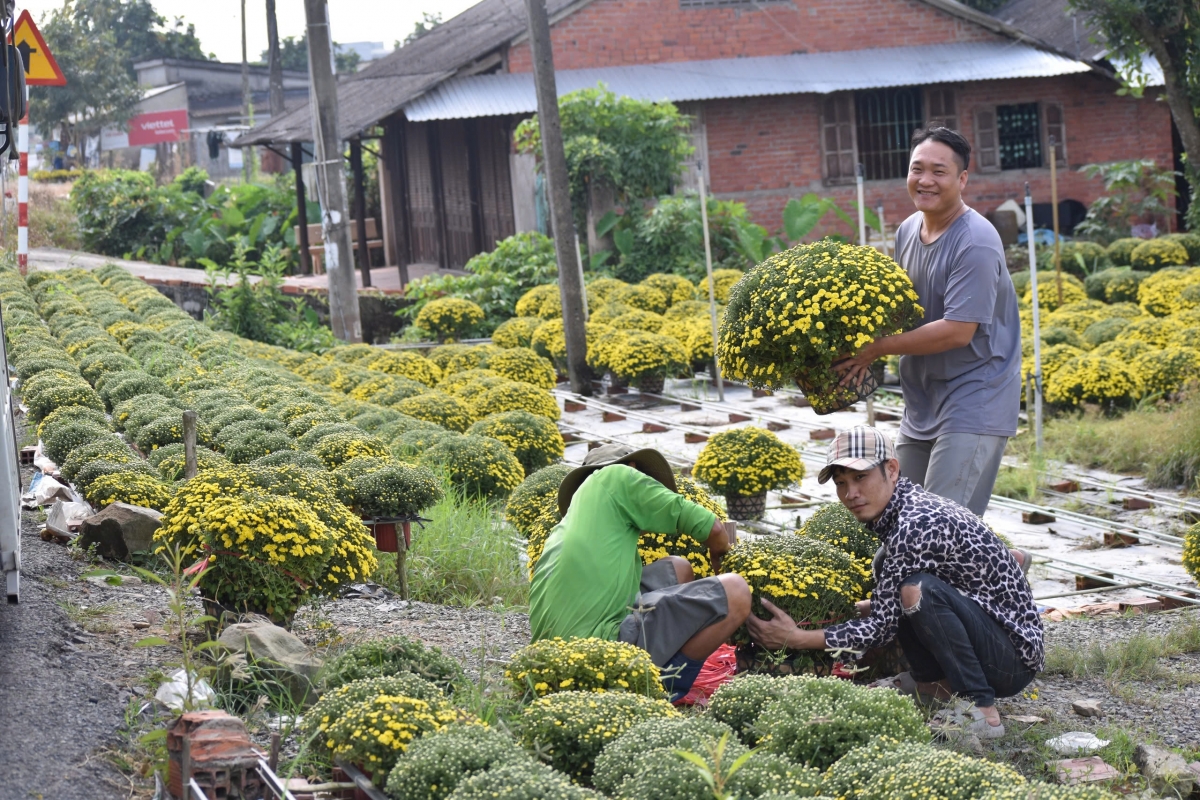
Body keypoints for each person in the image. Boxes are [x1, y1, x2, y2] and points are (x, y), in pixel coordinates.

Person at [747, 427, 1042, 738]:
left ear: (891, 469)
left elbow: (882, 627)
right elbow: (895, 600)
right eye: (841, 483)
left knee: (916, 591)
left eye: (860, 478)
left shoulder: (916, 523)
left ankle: (983, 713)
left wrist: (796, 638)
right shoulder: (901, 510)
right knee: (891, 573)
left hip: (1013, 660)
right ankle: (931, 686)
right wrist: (878, 604)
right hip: (991, 633)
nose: (850, 494)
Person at [836, 127, 1021, 516]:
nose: (925, 180)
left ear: (962, 179)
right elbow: (903, 311)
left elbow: (958, 330)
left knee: (937, 525)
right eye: (917, 169)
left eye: (939, 171)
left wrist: (878, 348)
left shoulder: (976, 241)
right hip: (922, 402)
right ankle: (1007, 559)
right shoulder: (907, 230)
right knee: (898, 517)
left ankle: (1001, 564)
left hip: (975, 397)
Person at [529, 444, 751, 701]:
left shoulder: (570, 524)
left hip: (551, 663)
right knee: (735, 591)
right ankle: (659, 689)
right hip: (597, 660)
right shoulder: (617, 476)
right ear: (633, 471)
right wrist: (720, 561)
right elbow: (713, 530)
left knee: (678, 567)